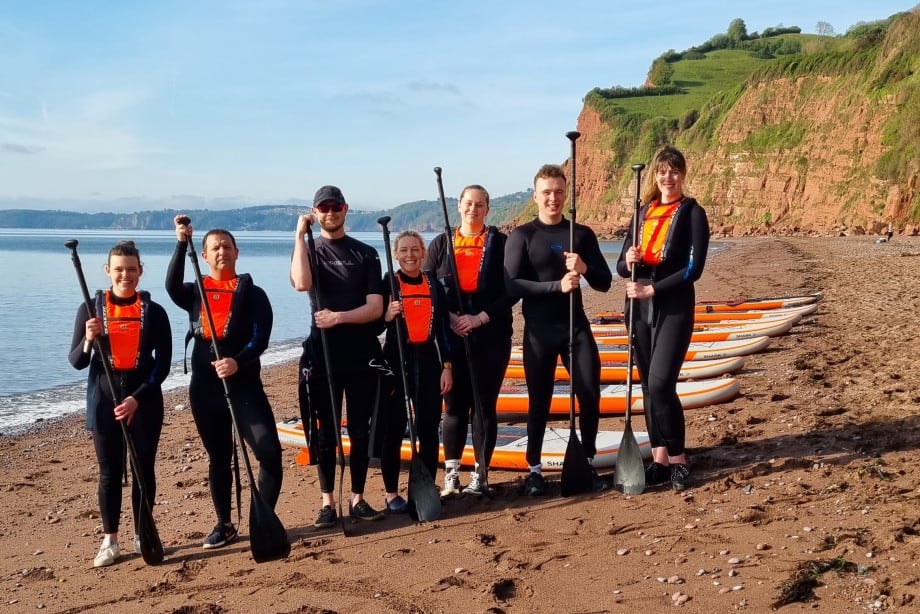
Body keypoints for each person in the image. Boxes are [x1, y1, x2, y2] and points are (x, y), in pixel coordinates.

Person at [166, 217, 283, 548]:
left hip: (244, 386)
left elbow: (261, 339)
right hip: (205, 390)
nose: (221, 252)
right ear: (204, 256)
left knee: (269, 453)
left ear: (237, 252)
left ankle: (262, 518)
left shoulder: (254, 295)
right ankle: (225, 524)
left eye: (226, 246)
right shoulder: (194, 292)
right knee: (218, 458)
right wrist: (179, 243)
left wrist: (237, 361)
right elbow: (170, 285)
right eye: (215, 247)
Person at [504, 164, 612, 496]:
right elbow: (510, 287)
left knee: (590, 396)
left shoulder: (581, 234)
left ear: (566, 194)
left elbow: (605, 283)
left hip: (575, 329)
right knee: (540, 402)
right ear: (535, 196)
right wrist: (556, 286)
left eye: (559, 192)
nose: (553, 198)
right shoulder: (522, 236)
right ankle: (534, 469)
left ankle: (588, 459)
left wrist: (584, 267)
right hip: (538, 333)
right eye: (547, 192)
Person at [68, 240, 172, 567]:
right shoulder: (90, 309)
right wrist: (88, 339)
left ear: (140, 271)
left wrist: (136, 398)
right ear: (107, 271)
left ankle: (143, 532)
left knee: (142, 469)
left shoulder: (155, 312)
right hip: (103, 402)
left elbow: (163, 365)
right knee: (110, 471)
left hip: (144, 401)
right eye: (119, 269)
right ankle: (110, 540)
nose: (125, 275)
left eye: (131, 269)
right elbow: (76, 362)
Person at [290, 185, 387, 527]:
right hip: (323, 354)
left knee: (360, 430)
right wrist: (299, 236)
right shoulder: (309, 251)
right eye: (323, 208)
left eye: (335, 207)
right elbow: (302, 284)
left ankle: (358, 497)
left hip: (360, 353)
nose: (329, 213)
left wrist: (339, 317)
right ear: (314, 213)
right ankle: (327, 502)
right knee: (326, 431)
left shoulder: (366, 254)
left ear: (345, 209)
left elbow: (376, 308)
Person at [615, 145, 710, 492]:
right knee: (646, 387)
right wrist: (629, 257)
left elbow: (693, 269)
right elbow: (622, 268)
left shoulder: (693, 213)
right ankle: (658, 459)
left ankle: (679, 460)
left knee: (660, 383)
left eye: (674, 171)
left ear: (683, 174)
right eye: (661, 172)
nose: (667, 177)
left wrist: (653, 291)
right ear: (654, 176)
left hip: (673, 305)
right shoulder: (642, 213)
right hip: (637, 308)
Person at [422, 185, 516, 497]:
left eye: (479, 205)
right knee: (454, 406)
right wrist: (449, 317)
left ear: (487, 209)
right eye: (468, 204)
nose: (472, 210)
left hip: (491, 333)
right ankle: (451, 475)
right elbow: (427, 285)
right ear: (459, 206)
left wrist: (479, 318)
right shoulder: (440, 244)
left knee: (484, 406)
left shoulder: (501, 243)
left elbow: (511, 291)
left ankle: (481, 474)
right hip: (452, 337)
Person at [380, 230, 453, 511]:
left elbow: (444, 330)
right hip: (396, 360)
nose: (410, 255)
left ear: (423, 254)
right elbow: (373, 325)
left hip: (427, 360)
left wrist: (447, 366)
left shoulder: (433, 284)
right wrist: (387, 315)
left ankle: (425, 488)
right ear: (396, 254)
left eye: (415, 250)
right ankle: (390, 494)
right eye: (404, 250)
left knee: (428, 428)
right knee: (394, 428)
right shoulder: (388, 283)